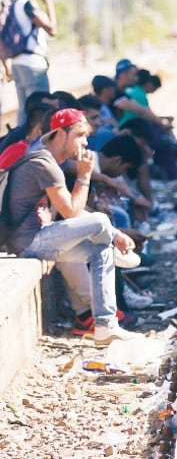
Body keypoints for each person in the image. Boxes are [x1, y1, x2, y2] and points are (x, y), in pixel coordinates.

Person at [5, 108, 140, 345]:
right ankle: (116, 248)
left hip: (39, 237)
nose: (85, 142)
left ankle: (105, 326)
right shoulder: (43, 162)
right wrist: (84, 175)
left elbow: (69, 215)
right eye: (79, 135)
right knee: (100, 221)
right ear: (60, 134)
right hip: (30, 241)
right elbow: (71, 212)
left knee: (101, 251)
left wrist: (113, 234)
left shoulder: (47, 160)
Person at [9, 0, 56, 126]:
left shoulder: (13, 3)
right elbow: (52, 29)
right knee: (41, 109)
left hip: (17, 62)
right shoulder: (28, 4)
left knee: (24, 109)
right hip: (33, 64)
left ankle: (21, 145)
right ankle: (35, 147)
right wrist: (49, 3)